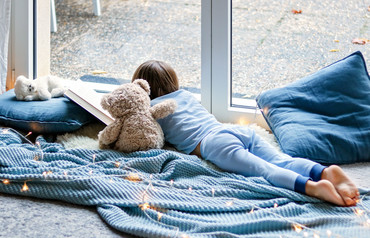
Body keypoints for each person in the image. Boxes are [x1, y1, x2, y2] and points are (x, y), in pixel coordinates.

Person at [132, 60, 360, 207]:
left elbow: (148, 137)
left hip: (213, 143)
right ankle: (323, 172)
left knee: (264, 171)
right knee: (281, 160)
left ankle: (312, 187)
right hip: (233, 130)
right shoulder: (185, 96)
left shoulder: (153, 112)